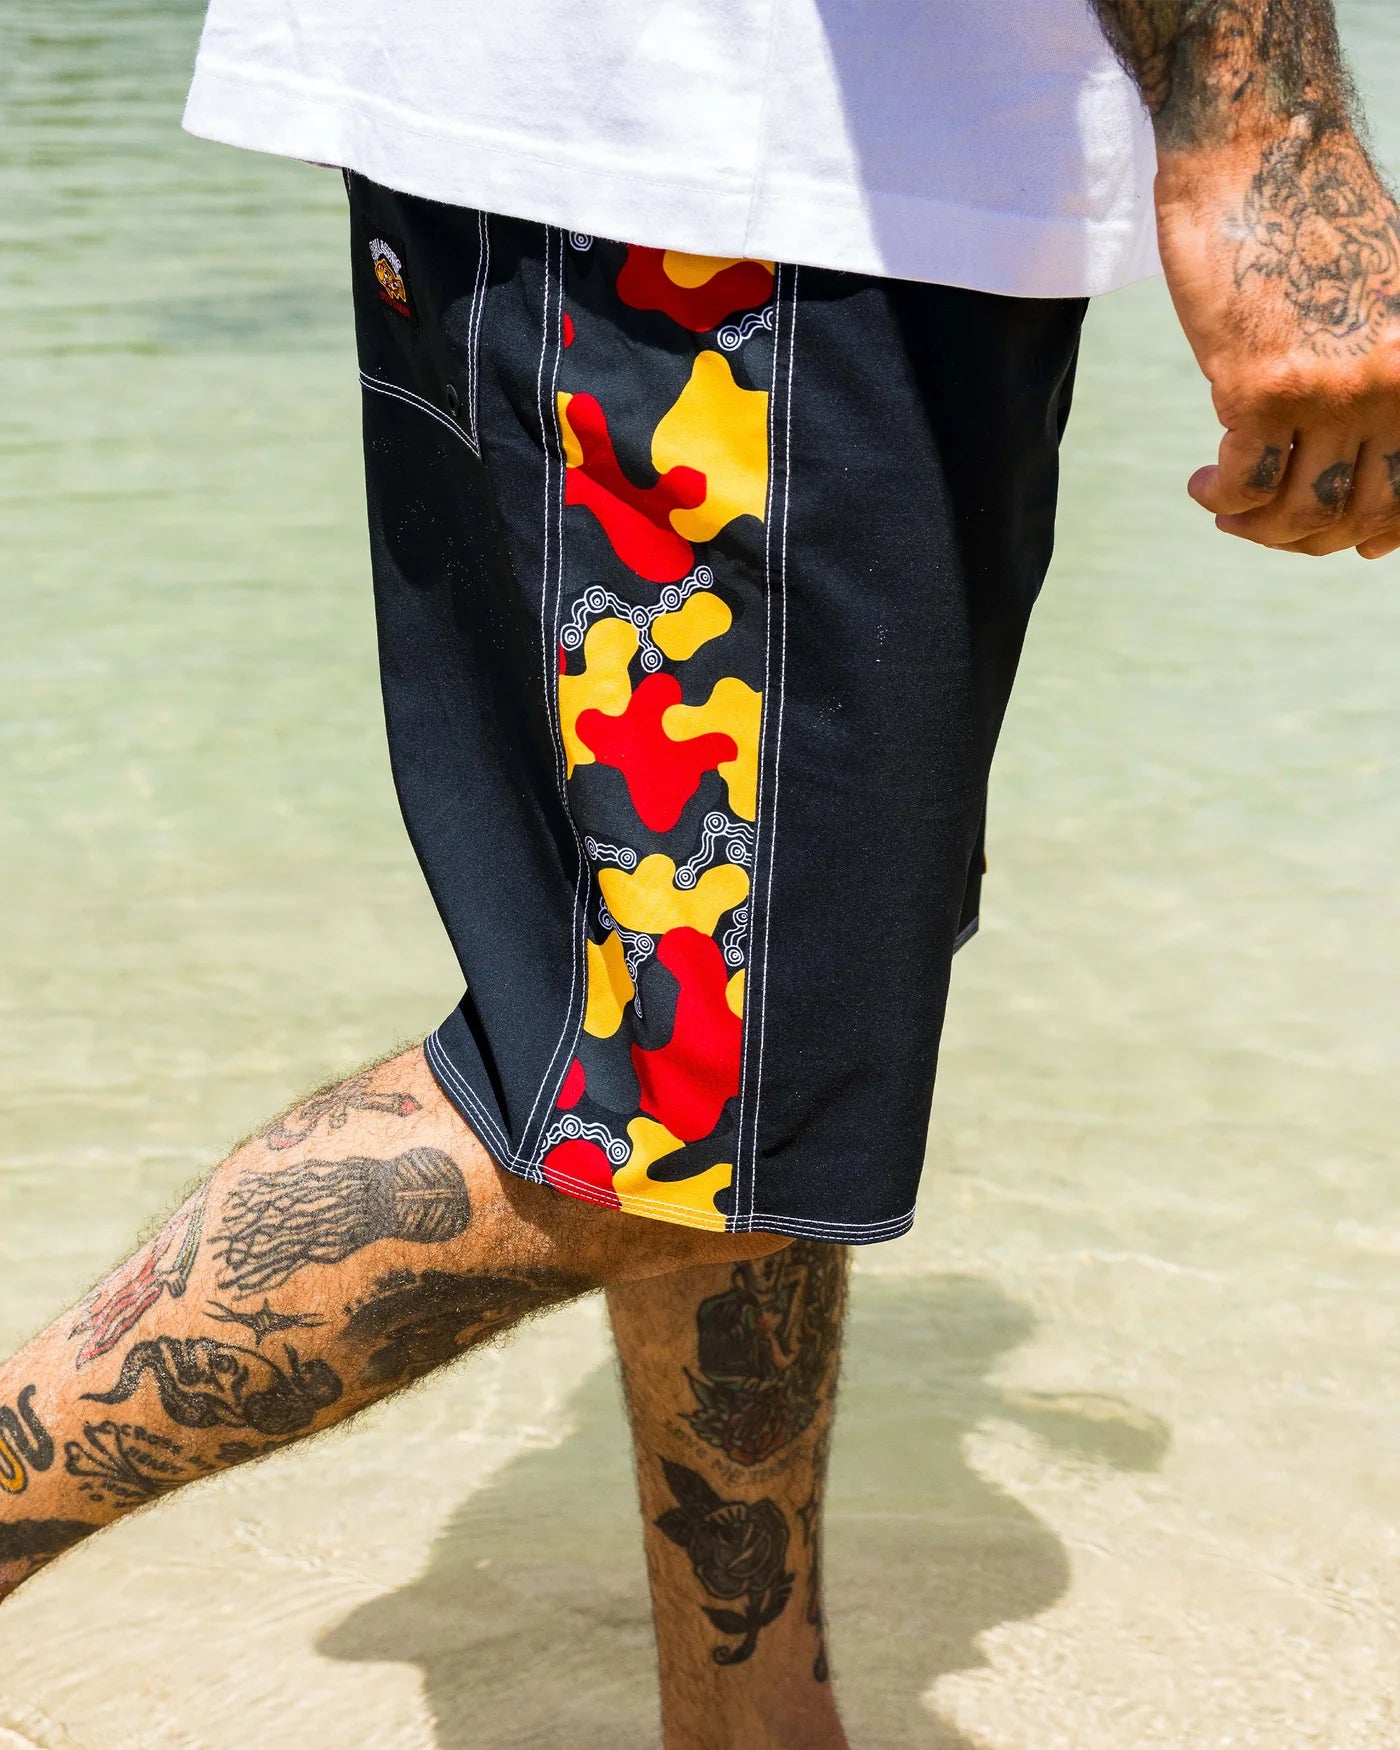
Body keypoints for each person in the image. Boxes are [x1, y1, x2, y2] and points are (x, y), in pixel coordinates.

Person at [2, 2, 1397, 1744]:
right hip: (733, 188)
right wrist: (1269, 132)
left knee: (748, 1041)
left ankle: (752, 1721)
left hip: (736, 169)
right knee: (674, 1093)